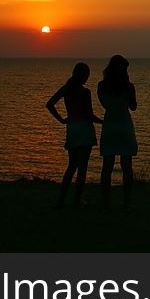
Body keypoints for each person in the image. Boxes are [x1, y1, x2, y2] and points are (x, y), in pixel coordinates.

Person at [46, 62, 102, 209]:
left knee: (71, 166)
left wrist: (61, 120)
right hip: (84, 130)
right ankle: (77, 200)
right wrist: (103, 122)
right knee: (82, 168)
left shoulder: (66, 89)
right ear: (84, 76)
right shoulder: (85, 92)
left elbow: (50, 104)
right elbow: (88, 115)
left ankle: (61, 200)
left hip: (72, 129)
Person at [97, 54, 138, 211]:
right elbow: (133, 107)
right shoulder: (129, 86)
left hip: (109, 126)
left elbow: (105, 105)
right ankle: (126, 203)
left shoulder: (101, 86)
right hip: (125, 126)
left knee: (106, 167)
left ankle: (106, 203)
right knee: (127, 167)